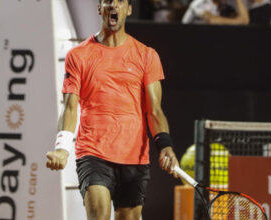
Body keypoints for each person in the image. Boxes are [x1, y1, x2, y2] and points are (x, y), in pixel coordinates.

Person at [46, 0, 179, 220]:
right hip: (93, 153)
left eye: (120, 1)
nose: (113, 5)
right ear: (100, 9)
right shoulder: (78, 56)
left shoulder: (147, 56)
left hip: (134, 157)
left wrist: (166, 146)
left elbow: (154, 111)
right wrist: (62, 148)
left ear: (128, 10)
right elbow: (70, 108)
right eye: (108, 1)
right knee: (98, 214)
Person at [182, 0, 249, 25]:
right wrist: (239, 21)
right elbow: (212, 20)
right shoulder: (199, 2)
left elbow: (245, 20)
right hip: (188, 38)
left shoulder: (224, 3)